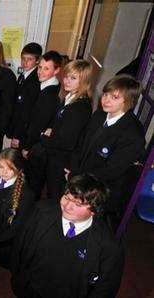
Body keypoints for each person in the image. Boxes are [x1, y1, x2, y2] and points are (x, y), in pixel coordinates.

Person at [11, 174, 124, 298]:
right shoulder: (41, 211)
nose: (67, 206)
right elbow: (20, 245)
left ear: (94, 210)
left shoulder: (109, 247)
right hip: (28, 289)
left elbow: (105, 289)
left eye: (78, 204)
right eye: (66, 197)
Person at [67, 75, 145, 229]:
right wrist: (74, 169)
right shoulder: (100, 114)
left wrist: (76, 177)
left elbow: (110, 171)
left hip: (101, 193)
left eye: (114, 97)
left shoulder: (133, 135)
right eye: (106, 94)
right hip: (81, 180)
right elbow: (82, 143)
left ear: (129, 101)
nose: (106, 100)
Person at [41, 60, 93, 201]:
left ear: (84, 81)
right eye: (66, 76)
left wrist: (43, 138)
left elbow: (67, 142)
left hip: (63, 162)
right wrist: (52, 128)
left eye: (73, 78)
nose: (67, 81)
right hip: (57, 157)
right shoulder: (69, 98)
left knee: (57, 198)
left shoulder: (79, 107)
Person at [22, 50, 62, 198]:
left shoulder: (49, 95)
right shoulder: (47, 87)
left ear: (57, 70)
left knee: (33, 184)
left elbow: (38, 124)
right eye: (40, 67)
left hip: (37, 149)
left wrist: (27, 147)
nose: (41, 72)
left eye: (47, 68)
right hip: (39, 146)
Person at [7, 42, 43, 149]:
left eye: (30, 59)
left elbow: (25, 111)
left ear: (37, 60)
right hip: (16, 127)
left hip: (23, 133)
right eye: (23, 58)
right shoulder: (23, 76)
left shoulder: (35, 80)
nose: (25, 62)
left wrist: (18, 136)